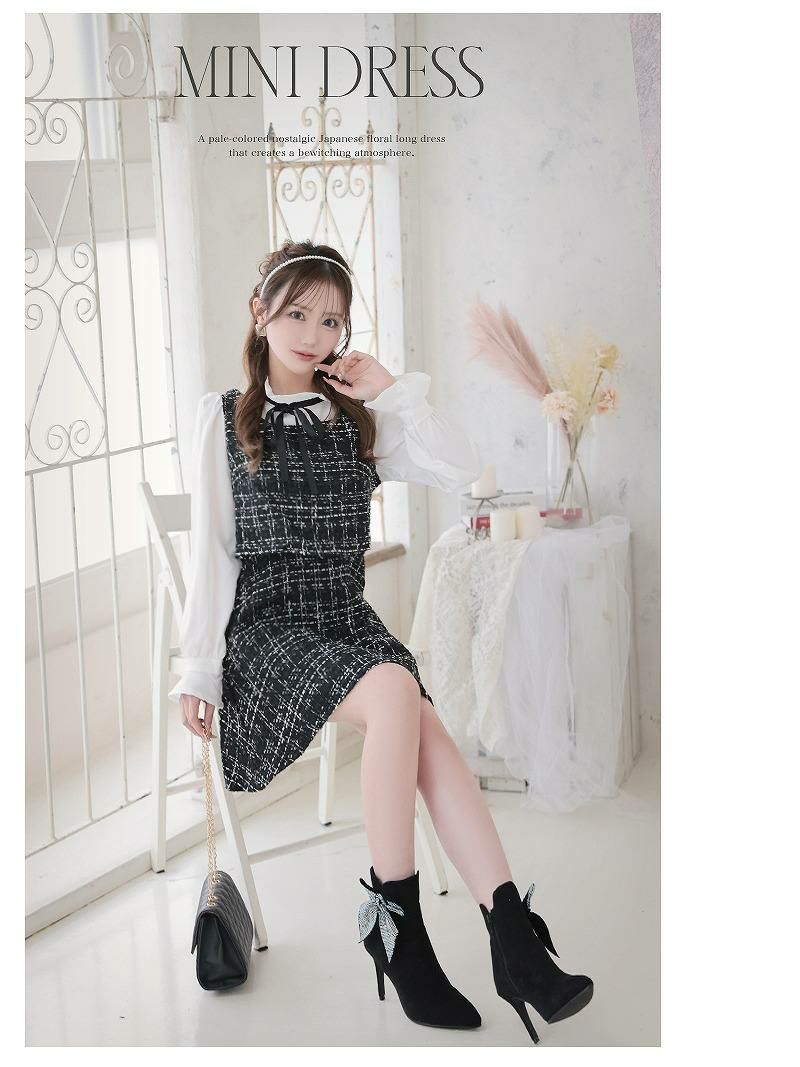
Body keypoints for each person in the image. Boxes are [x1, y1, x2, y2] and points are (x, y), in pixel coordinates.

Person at [169, 239, 593, 1042]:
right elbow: (213, 555)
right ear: (259, 313)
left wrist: (393, 392)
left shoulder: (358, 416)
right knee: (401, 689)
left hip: (344, 622)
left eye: (332, 320)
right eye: (298, 313)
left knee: (418, 717)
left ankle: (510, 937)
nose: (314, 334)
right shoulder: (220, 419)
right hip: (265, 632)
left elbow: (463, 468)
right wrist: (198, 671)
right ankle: (404, 927)